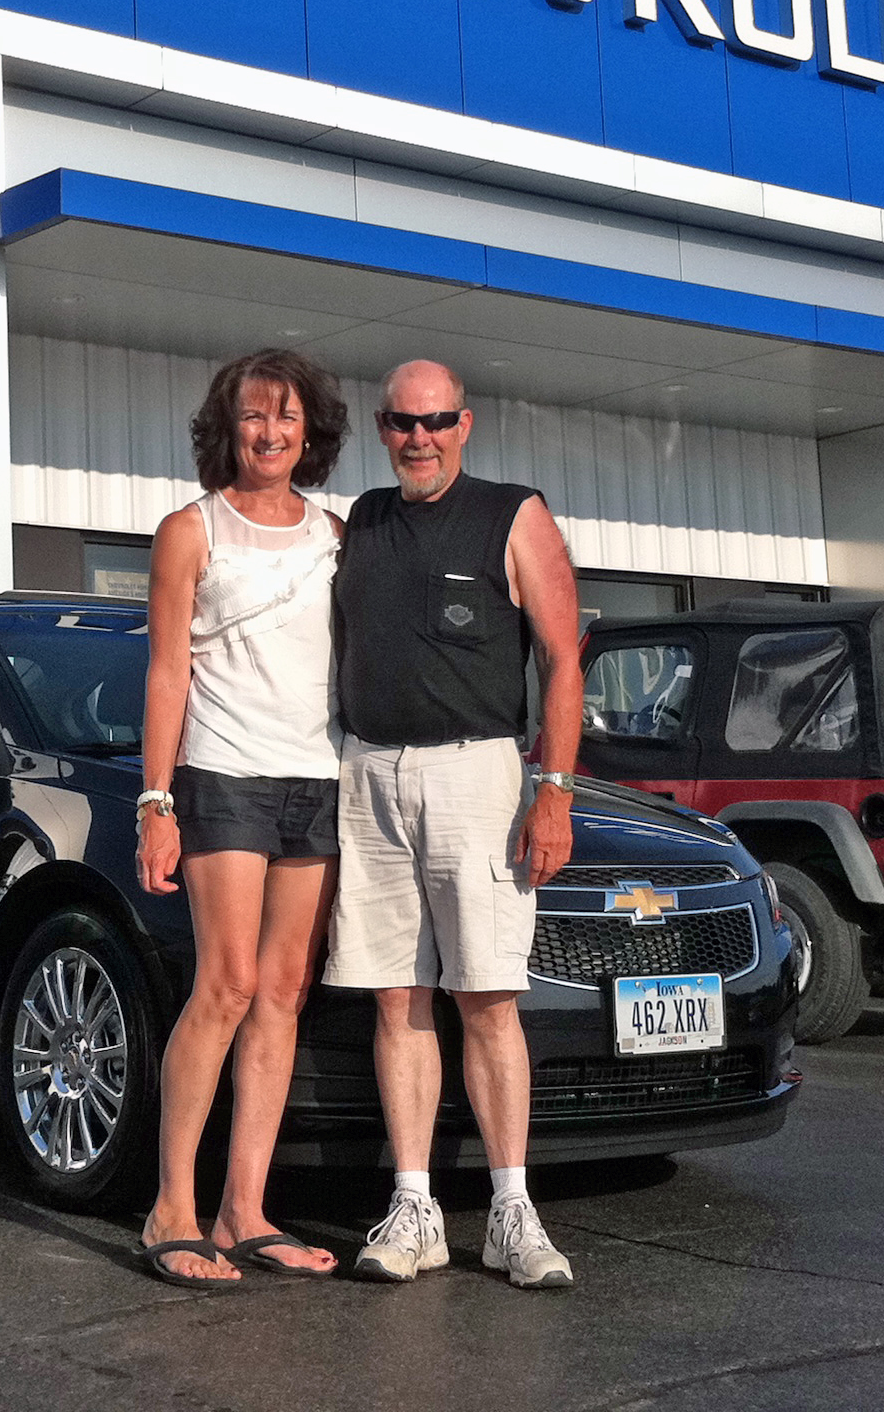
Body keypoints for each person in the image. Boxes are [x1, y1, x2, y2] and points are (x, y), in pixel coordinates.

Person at [325, 359, 585, 1289]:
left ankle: (513, 1212)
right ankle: (416, 1208)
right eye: (401, 423)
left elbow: (562, 660)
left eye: (434, 422)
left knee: (486, 998)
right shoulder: (360, 522)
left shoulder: (515, 515)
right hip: (371, 777)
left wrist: (553, 791)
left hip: (478, 777)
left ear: (464, 424)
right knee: (396, 998)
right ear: (383, 428)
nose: (418, 438)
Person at [134, 349, 350, 1286]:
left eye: (287, 418)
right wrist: (156, 801)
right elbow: (167, 672)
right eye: (255, 417)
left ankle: (242, 1212)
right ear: (229, 427)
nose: (270, 434)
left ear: (311, 433)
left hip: (320, 777)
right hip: (223, 776)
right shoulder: (191, 531)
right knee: (222, 983)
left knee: (282, 991)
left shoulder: (339, 535)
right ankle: (169, 1210)